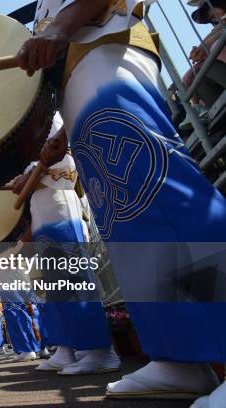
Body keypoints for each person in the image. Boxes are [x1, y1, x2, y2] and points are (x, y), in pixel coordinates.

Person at [17, 0, 226, 403]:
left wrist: (61, 25)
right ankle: (180, 357)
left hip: (108, 53)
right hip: (78, 80)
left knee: (160, 188)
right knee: (128, 219)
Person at [12, 113, 119, 373]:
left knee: (72, 276)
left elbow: (66, 163)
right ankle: (65, 348)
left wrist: (30, 177)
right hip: (43, 207)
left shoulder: (49, 115)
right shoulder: (30, 121)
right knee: (54, 282)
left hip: (59, 203)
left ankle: (99, 350)